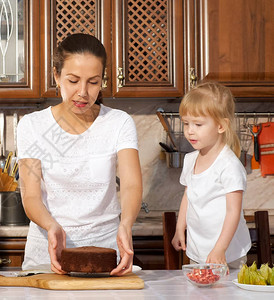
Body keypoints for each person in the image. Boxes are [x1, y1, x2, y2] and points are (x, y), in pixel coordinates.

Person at [17, 33, 143, 276]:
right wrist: (51, 226)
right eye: (73, 80)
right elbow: (31, 195)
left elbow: (131, 184)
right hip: (48, 250)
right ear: (56, 75)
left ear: (103, 81)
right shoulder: (32, 126)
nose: (83, 92)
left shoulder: (119, 122)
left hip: (105, 250)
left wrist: (126, 224)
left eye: (93, 82)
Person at [171, 82, 251, 269]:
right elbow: (188, 197)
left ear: (221, 126)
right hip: (198, 250)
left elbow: (233, 212)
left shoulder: (229, 165)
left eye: (198, 124)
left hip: (227, 254)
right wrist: (179, 228)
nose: (190, 130)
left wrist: (219, 249)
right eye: (186, 123)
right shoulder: (190, 160)